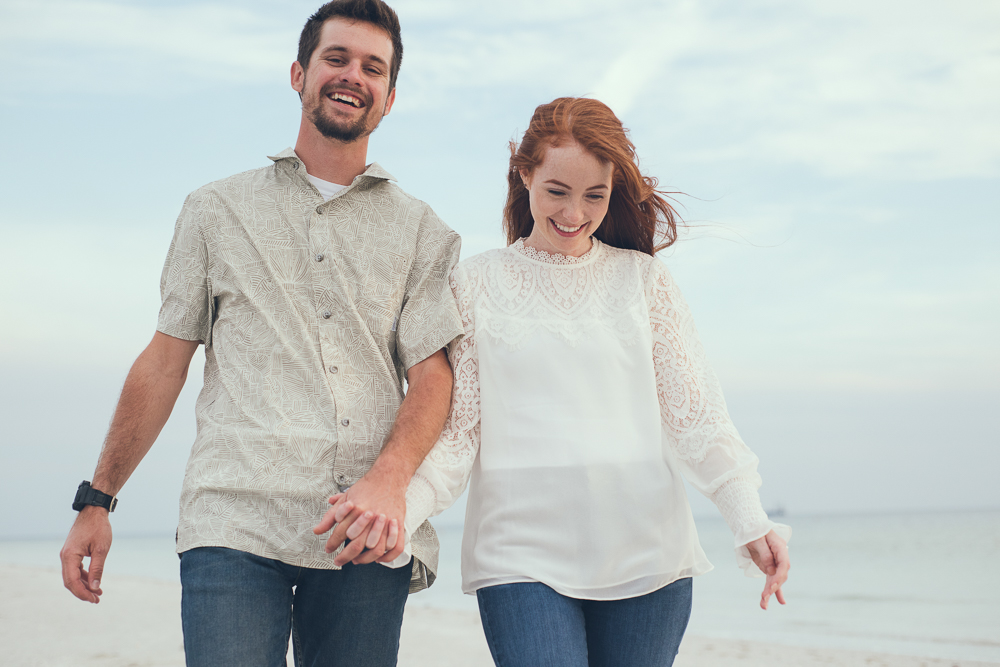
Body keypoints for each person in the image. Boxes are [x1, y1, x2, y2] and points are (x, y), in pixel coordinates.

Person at [58, 1, 463, 665]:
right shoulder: (214, 210)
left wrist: (390, 482)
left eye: (372, 67)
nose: (352, 75)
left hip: (362, 530)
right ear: (300, 73)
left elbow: (434, 377)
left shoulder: (425, 232)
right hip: (234, 521)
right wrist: (97, 500)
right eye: (336, 58)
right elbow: (164, 361)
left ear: (390, 98)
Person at [326, 97, 792, 667]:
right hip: (520, 557)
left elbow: (695, 417)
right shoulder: (474, 284)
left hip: (648, 557)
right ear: (524, 175)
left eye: (594, 195)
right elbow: (460, 435)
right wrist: (400, 510)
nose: (574, 212)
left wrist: (750, 520)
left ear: (613, 187)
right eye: (557, 191)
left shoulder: (643, 280)